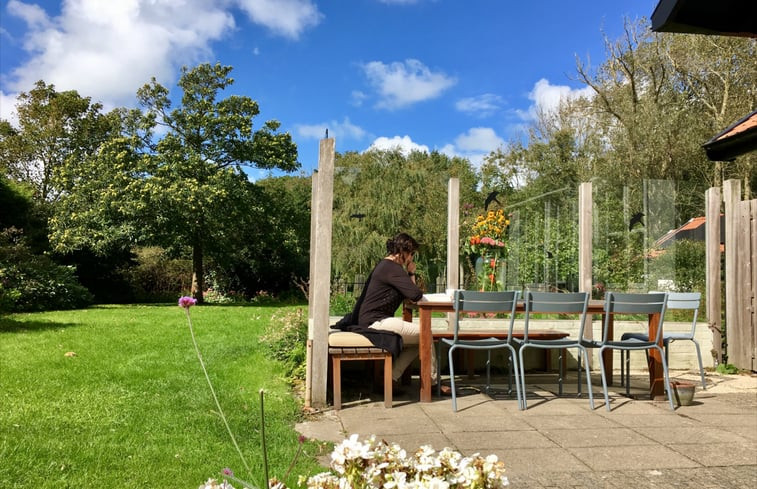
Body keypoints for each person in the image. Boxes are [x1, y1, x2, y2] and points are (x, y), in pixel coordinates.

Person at [357, 233, 443, 391]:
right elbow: (416, 295)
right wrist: (411, 272)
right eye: (411, 253)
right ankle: (432, 383)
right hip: (376, 322)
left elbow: (411, 297)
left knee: (419, 341)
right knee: (425, 334)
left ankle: (389, 378)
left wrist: (410, 273)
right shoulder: (392, 268)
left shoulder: (387, 266)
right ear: (403, 251)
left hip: (373, 320)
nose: (411, 257)